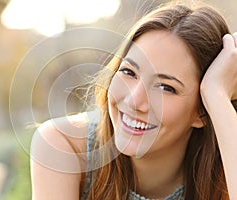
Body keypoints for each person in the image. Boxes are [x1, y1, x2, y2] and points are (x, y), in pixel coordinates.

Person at [30, 1, 237, 199]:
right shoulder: (63, 147)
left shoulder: (226, 169)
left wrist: (218, 96)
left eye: (165, 87)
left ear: (202, 111)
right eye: (129, 72)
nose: (133, 101)